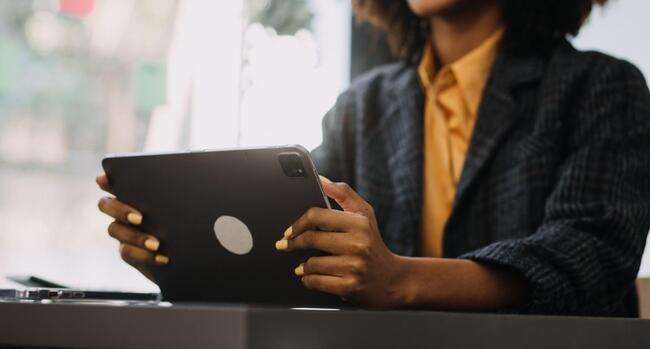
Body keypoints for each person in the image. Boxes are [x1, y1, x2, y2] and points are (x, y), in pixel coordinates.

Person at [97, 0, 650, 316]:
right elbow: (288, 236)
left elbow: (591, 258)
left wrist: (399, 279)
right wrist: (187, 255)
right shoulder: (365, 107)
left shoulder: (601, 89)